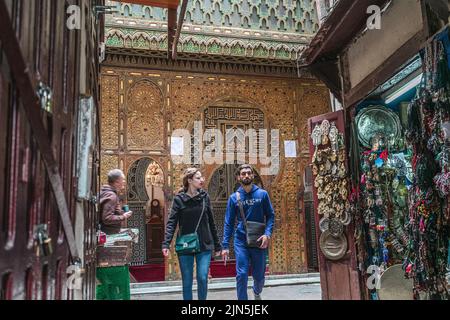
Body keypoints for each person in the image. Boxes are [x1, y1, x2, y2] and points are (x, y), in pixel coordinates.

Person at [162, 168, 222, 300]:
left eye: (202, 177)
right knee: (187, 282)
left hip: (204, 244)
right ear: (189, 180)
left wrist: (218, 245)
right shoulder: (179, 199)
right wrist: (166, 243)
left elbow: (211, 221)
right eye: (198, 178)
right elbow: (172, 223)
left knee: (202, 277)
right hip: (185, 244)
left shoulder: (205, 197)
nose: (202, 180)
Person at [221, 164, 275, 300]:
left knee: (259, 276)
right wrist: (225, 245)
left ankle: (257, 292)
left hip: (259, 241)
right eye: (243, 173)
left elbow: (270, 215)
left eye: (248, 173)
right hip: (241, 241)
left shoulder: (262, 194)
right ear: (238, 177)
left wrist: (267, 234)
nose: (246, 175)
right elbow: (228, 222)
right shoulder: (234, 198)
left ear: (253, 175)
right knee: (242, 274)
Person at [99, 169, 133, 235]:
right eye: (123, 180)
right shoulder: (111, 195)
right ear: (117, 182)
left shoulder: (105, 192)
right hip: (107, 234)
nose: (124, 182)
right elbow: (107, 218)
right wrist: (124, 216)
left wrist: (120, 211)